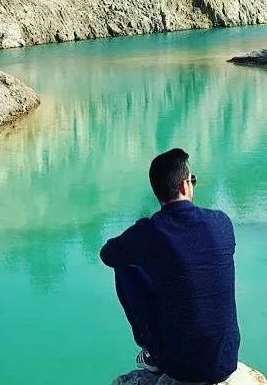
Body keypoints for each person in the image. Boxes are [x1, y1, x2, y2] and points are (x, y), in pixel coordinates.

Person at [100, 148, 240, 384]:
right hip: (226, 360)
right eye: (192, 179)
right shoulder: (221, 222)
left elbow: (108, 254)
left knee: (126, 265)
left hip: (180, 367)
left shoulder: (151, 231)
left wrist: (141, 241)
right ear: (185, 185)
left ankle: (152, 354)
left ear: (158, 192)